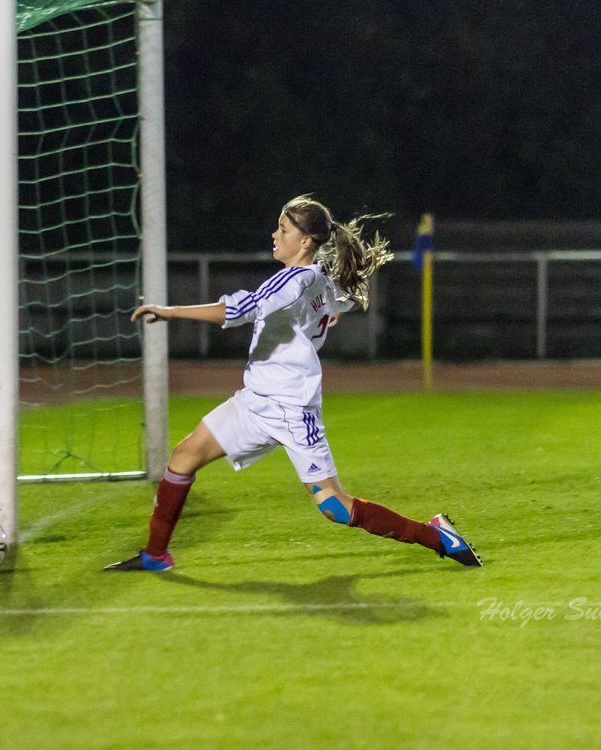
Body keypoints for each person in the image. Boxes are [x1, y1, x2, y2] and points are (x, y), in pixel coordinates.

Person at [105, 195, 482, 571]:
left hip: (291, 409)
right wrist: (328, 312)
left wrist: (169, 312)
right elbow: (342, 300)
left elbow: (239, 310)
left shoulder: (294, 279)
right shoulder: (319, 276)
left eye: (283, 229)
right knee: (184, 456)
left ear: (304, 241)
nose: (274, 235)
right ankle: (155, 555)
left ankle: (437, 537)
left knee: (334, 507)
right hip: (254, 401)